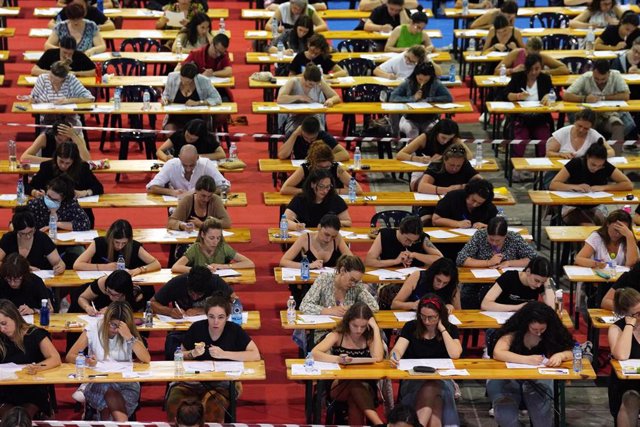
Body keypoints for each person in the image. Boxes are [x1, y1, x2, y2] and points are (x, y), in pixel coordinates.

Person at [165, 294, 261, 422]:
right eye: (211, 317)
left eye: (220, 317)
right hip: (193, 381)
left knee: (213, 405)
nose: (216, 322)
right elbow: (179, 355)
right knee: (174, 401)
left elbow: (255, 354)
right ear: (206, 315)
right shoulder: (197, 328)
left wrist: (225, 354)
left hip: (224, 383)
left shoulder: (234, 330)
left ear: (227, 316)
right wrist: (192, 353)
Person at [487, 302, 575, 426]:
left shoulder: (553, 332)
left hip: (539, 379)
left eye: (542, 329)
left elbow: (574, 350)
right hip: (507, 378)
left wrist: (561, 355)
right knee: (506, 417)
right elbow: (498, 353)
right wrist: (527, 359)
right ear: (526, 324)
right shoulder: (514, 331)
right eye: (534, 329)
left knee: (542, 420)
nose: (539, 333)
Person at [66, 301, 150, 421]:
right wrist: (87, 360)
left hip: (126, 384)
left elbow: (146, 359)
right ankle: (121, 422)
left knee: (109, 403)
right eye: (113, 325)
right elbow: (70, 355)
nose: (116, 330)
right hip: (98, 381)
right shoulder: (94, 328)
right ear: (106, 320)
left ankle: (106, 420)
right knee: (108, 390)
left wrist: (129, 337)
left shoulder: (127, 332)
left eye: (120, 326)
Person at [389, 294, 462, 427]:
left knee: (433, 387)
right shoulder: (411, 327)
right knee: (434, 392)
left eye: (431, 317)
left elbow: (455, 353)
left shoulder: (450, 329)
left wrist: (442, 328)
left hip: (442, 378)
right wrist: (395, 356)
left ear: (440, 315)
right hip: (413, 378)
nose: (427, 321)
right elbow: (398, 349)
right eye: (423, 316)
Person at [311, 303, 385, 425]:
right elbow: (314, 353)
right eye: (355, 326)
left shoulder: (369, 337)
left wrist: (376, 328)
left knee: (354, 399)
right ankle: (378, 423)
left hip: (365, 385)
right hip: (339, 385)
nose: (359, 330)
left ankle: (378, 424)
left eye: (363, 326)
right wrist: (338, 359)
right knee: (353, 382)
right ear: (348, 322)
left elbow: (378, 357)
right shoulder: (337, 335)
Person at [151, 266, 235, 359]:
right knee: (173, 343)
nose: (194, 297)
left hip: (212, 329)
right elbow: (152, 303)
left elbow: (234, 302)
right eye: (191, 293)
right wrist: (169, 311)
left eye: (199, 294)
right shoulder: (178, 282)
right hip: (181, 330)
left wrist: (203, 310)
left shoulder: (214, 281)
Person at [0, 299, 61, 418]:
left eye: (4, 323)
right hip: (5, 390)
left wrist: (38, 367)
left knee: (20, 418)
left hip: (31, 390)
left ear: (14, 317)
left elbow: (55, 358)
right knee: (11, 418)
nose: (1, 329)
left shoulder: (34, 334)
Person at [549, 140, 633, 225]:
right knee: (584, 223)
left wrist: (603, 187)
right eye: (593, 164)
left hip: (596, 206)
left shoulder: (605, 166)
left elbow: (628, 184)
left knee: (607, 223)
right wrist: (575, 186)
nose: (596, 168)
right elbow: (554, 184)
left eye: (600, 166)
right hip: (572, 206)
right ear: (587, 157)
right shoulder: (575, 163)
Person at [300, 255, 379, 342]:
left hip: (351, 332)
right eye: (351, 279)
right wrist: (328, 310)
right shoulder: (324, 280)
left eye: (356, 281)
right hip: (324, 332)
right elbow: (304, 305)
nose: (353, 284)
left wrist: (353, 310)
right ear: (342, 271)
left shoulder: (357, 285)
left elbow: (374, 306)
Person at [563, 59, 634, 141]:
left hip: (610, 114)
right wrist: (584, 98)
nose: (600, 81)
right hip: (589, 116)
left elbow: (626, 96)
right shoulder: (586, 77)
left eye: (603, 79)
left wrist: (603, 97)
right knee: (584, 127)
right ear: (592, 72)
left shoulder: (616, 75)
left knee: (618, 126)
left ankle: (613, 151)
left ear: (609, 73)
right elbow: (566, 95)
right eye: (596, 79)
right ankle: (587, 151)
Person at [503, 53, 555, 160]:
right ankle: (515, 168)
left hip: (540, 118)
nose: (534, 72)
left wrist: (549, 96)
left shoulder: (545, 78)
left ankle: (542, 170)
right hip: (521, 118)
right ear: (526, 68)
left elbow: (554, 94)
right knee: (519, 143)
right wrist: (517, 96)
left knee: (544, 141)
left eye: (537, 69)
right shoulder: (518, 77)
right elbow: (505, 94)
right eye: (531, 69)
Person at [416, 143, 481, 224]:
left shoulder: (465, 166)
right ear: (444, 160)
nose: (454, 168)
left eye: (458, 166)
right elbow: (421, 187)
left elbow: (481, 183)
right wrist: (448, 190)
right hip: (432, 206)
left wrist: (466, 187)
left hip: (456, 206)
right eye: (451, 165)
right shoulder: (436, 165)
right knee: (426, 222)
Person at [396, 119, 467, 191]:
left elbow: (469, 155)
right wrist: (419, 159)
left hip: (445, 172)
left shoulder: (454, 139)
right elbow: (400, 154)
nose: (445, 141)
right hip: (422, 171)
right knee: (419, 186)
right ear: (437, 132)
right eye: (443, 137)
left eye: (449, 138)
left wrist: (445, 157)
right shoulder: (425, 137)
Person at [73, 219, 161, 276]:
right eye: (117, 242)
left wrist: (139, 270)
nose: (120, 246)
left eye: (124, 243)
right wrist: (104, 267)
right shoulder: (99, 243)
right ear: (111, 238)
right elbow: (77, 265)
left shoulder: (134, 246)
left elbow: (156, 263)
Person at [389, 61, 453, 139]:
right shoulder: (408, 82)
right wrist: (412, 98)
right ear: (416, 75)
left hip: (429, 119)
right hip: (409, 118)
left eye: (426, 80)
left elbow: (448, 97)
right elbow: (393, 97)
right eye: (420, 79)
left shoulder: (435, 83)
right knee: (412, 132)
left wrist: (430, 99)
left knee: (430, 132)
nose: (422, 82)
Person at [26, 141, 103, 204]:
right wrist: (35, 192)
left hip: (77, 210)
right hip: (51, 209)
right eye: (61, 161)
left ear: (74, 161)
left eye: (67, 163)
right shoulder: (47, 166)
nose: (63, 166)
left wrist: (85, 192)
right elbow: (28, 187)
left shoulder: (83, 168)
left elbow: (98, 188)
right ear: (56, 157)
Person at [172, 218, 254, 274]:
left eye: (218, 238)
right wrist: (200, 271)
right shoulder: (195, 248)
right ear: (203, 235)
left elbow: (249, 263)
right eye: (211, 238)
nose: (215, 242)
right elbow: (175, 267)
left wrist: (224, 266)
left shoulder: (223, 247)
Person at [279, 63, 342, 134]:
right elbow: (280, 99)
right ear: (303, 78)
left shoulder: (319, 82)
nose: (313, 86)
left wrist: (331, 100)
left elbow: (336, 97)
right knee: (297, 133)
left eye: (315, 84)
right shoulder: (294, 82)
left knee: (319, 133)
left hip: (314, 117)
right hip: (296, 118)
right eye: (310, 84)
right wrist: (299, 97)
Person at [607, 288, 640, 426]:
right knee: (631, 398)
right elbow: (621, 355)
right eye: (637, 313)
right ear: (626, 314)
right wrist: (629, 325)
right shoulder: (616, 329)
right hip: (626, 385)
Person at [29, 60, 95, 128]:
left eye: (55, 80)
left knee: (65, 133)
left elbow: (90, 98)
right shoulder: (42, 78)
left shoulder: (71, 80)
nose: (51, 80)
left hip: (69, 122)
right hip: (47, 122)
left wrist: (67, 101)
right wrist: (32, 100)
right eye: (50, 77)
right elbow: (33, 97)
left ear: (64, 78)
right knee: (46, 136)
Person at [146, 145, 230, 198]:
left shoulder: (206, 164)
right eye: (185, 165)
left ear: (197, 158)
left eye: (192, 165)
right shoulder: (171, 164)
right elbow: (151, 187)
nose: (188, 169)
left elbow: (225, 187)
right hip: (178, 209)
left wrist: (200, 193)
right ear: (179, 158)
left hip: (203, 207)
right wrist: (172, 192)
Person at [280, 141, 361, 195]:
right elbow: (285, 189)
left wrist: (334, 191)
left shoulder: (336, 168)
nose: (323, 170)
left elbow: (357, 189)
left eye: (327, 167)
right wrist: (310, 192)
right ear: (313, 162)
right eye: (320, 167)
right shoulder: (305, 168)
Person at [457, 216, 537, 269]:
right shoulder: (480, 235)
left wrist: (509, 263)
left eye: (498, 240)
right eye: (491, 239)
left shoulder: (514, 238)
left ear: (505, 235)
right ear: (487, 232)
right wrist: (488, 262)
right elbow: (461, 259)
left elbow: (534, 259)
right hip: (478, 284)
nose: (494, 243)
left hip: (507, 284)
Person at [0, 209, 65, 274]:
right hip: (12, 279)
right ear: (16, 231)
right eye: (23, 234)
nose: (28, 236)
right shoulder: (8, 238)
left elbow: (58, 262)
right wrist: (23, 268)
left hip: (38, 280)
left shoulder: (42, 238)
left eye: (31, 232)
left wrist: (61, 266)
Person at [161, 63, 222, 131]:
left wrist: (198, 103)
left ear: (194, 78)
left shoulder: (203, 81)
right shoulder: (172, 77)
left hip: (197, 119)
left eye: (187, 81)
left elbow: (217, 99)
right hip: (175, 118)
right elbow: (165, 95)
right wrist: (165, 99)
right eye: (182, 79)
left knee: (195, 133)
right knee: (170, 132)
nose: (184, 82)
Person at [481, 256, 556, 311]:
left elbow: (552, 309)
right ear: (528, 271)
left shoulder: (541, 283)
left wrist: (548, 282)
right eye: (536, 281)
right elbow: (485, 304)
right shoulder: (509, 277)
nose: (539, 285)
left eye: (542, 282)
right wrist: (518, 308)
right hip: (500, 318)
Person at [284, 168, 352, 229]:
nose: (325, 191)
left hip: (328, 238)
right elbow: (285, 221)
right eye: (321, 186)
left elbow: (348, 222)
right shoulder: (300, 199)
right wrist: (296, 226)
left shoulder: (335, 199)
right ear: (312, 184)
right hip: (304, 238)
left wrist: (332, 223)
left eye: (328, 187)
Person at [365, 215, 443, 268]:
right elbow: (368, 261)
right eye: (408, 239)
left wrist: (415, 255)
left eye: (414, 241)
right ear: (400, 231)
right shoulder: (385, 235)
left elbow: (440, 259)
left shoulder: (422, 238)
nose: (410, 244)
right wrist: (395, 261)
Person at [280, 213, 352, 269]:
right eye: (326, 234)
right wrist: (308, 266)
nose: (329, 239)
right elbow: (283, 262)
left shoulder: (337, 238)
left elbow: (352, 261)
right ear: (319, 227)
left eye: (333, 236)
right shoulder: (305, 238)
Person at [176, 33, 233, 102]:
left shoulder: (223, 55)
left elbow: (229, 71)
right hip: (198, 89)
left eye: (220, 53)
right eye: (216, 50)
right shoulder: (196, 53)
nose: (217, 54)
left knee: (225, 102)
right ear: (211, 42)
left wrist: (212, 73)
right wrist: (201, 76)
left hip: (217, 89)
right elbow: (180, 69)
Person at [392, 257, 460, 312]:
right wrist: (412, 305)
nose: (440, 286)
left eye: (445, 283)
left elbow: (459, 314)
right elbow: (394, 304)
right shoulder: (418, 276)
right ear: (432, 274)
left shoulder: (452, 286)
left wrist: (451, 307)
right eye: (438, 280)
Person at [27, 174, 91, 232]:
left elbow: (85, 223)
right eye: (48, 196)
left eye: (54, 200)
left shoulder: (70, 204)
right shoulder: (35, 204)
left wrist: (56, 224)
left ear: (63, 198)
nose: (50, 200)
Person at [168, 175, 232, 230]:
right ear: (196, 191)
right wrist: (182, 225)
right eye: (203, 196)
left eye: (209, 196)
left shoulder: (215, 200)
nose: (206, 199)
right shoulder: (187, 200)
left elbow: (227, 223)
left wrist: (203, 224)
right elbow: (171, 222)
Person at [546, 108, 612, 159]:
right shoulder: (562, 133)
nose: (581, 130)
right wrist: (560, 154)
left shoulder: (593, 135)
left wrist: (595, 156)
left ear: (591, 127)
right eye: (579, 126)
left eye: (586, 128)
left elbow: (611, 151)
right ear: (575, 121)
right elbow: (549, 153)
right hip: (559, 170)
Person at [432, 178, 498, 229]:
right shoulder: (453, 197)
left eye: (479, 203)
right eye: (473, 200)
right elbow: (435, 220)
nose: (475, 205)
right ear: (468, 194)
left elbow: (496, 227)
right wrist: (457, 223)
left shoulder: (489, 206)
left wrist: (486, 226)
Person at [277, 116, 349, 161]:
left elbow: (344, 154)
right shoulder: (295, 134)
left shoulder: (323, 135)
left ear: (318, 132)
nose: (309, 141)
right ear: (301, 131)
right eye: (306, 138)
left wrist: (322, 160)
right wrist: (295, 135)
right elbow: (282, 155)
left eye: (312, 139)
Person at [76, 269, 145, 314]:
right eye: (108, 292)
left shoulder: (136, 294)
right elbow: (82, 298)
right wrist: (87, 307)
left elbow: (139, 318)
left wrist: (114, 312)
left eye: (115, 295)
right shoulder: (102, 283)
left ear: (124, 293)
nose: (110, 297)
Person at [493, 36, 569, 77]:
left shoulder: (541, 57)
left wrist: (544, 72)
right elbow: (496, 71)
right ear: (525, 49)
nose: (533, 58)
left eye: (536, 56)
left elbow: (564, 69)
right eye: (530, 55)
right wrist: (512, 70)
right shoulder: (515, 54)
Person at [20, 120, 89, 163]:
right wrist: (54, 161)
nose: (63, 142)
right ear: (54, 135)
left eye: (66, 139)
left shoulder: (76, 138)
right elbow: (24, 158)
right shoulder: (44, 137)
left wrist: (75, 138)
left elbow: (87, 160)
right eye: (59, 139)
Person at [156, 118, 225, 161]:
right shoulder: (179, 135)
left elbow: (222, 154)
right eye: (187, 135)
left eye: (192, 139)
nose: (188, 139)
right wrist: (166, 158)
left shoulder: (208, 139)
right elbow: (159, 151)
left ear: (200, 137)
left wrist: (200, 156)